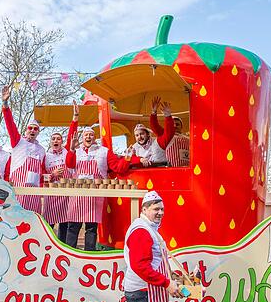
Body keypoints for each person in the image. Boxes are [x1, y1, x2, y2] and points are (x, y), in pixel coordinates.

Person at [114, 191, 184, 302]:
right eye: (156, 209)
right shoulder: (142, 232)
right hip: (141, 292)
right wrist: (167, 283)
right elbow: (141, 267)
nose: (160, 212)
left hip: (144, 290)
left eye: (162, 209)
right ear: (144, 209)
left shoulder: (147, 227)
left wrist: (171, 278)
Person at [66, 100, 140, 251]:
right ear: (82, 137)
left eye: (91, 135)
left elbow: (118, 168)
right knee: (73, 226)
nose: (88, 137)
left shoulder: (104, 152)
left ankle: (89, 255)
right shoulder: (76, 151)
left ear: (95, 138)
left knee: (91, 228)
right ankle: (68, 253)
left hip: (95, 196)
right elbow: (69, 164)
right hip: (78, 194)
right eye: (86, 134)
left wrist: (127, 158)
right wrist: (75, 118)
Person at [1, 85, 45, 213]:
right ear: (26, 130)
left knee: (32, 221)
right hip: (17, 190)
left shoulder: (42, 150)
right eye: (30, 128)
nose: (32, 130)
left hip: (34, 194)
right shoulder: (18, 142)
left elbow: (42, 172)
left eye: (35, 129)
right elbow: (10, 124)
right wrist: (5, 104)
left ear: (38, 132)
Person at [129, 97, 175, 167]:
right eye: (137, 135)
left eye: (142, 134)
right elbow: (129, 159)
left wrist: (168, 116)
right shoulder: (134, 147)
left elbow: (169, 133)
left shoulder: (157, 142)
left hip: (160, 172)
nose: (139, 137)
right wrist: (140, 159)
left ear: (148, 134)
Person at [43, 131, 71, 243]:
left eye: (58, 139)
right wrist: (53, 174)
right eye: (53, 139)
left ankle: (62, 245)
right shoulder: (45, 156)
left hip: (66, 192)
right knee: (49, 222)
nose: (55, 141)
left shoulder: (67, 153)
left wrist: (75, 118)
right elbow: (42, 175)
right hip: (51, 194)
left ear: (62, 142)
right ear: (50, 142)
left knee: (64, 223)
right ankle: (48, 244)